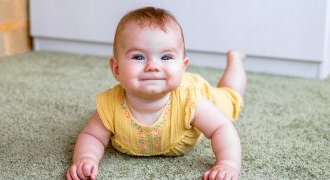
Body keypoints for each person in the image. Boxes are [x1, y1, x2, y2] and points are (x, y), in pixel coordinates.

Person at [66, 6, 247, 180]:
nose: (153, 66)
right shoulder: (110, 105)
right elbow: (92, 136)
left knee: (231, 97)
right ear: (116, 69)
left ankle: (235, 60)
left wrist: (228, 164)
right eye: (138, 57)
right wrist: (86, 159)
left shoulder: (190, 100)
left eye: (166, 57)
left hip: (197, 91)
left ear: (183, 67)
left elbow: (220, 128)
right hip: (170, 82)